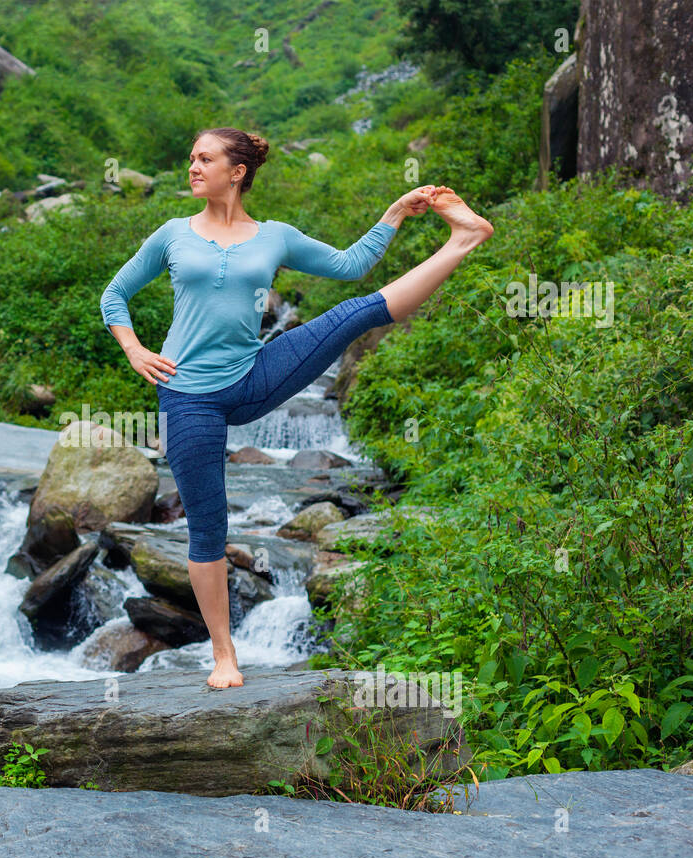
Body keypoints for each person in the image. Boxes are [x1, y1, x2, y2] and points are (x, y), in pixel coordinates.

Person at [100, 127, 493, 688]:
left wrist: (394, 213)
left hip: (254, 376)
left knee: (355, 312)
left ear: (236, 172)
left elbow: (352, 263)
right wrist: (135, 349)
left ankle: (463, 240)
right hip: (187, 396)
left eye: (204, 159)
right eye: (191, 158)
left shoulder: (275, 237)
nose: (192, 166)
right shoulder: (171, 235)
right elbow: (114, 295)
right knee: (208, 530)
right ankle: (224, 657)